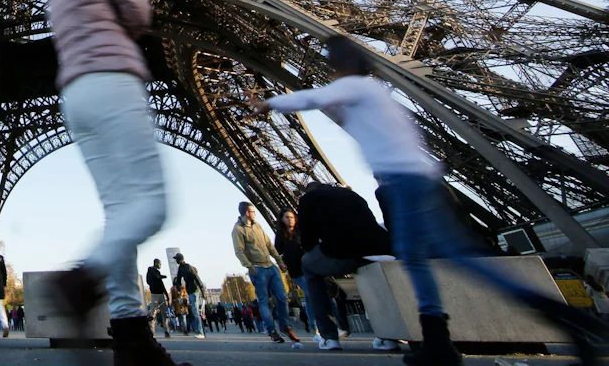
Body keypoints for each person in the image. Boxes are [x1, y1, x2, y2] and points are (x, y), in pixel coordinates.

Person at [253, 35, 609, 366]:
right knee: (428, 259)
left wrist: (267, 102)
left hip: (405, 185)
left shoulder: (356, 87)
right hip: (419, 180)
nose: (332, 69)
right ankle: (442, 339)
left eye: (334, 62)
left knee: (441, 260)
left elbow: (311, 98)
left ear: (345, 64)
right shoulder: (377, 96)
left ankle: (562, 319)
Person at [35, 0, 189, 366]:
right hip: (113, 83)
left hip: (75, 94)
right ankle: (80, 280)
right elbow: (138, 11)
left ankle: (129, 332)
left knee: (120, 214)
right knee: (153, 206)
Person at [291, 182, 391, 350]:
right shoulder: (351, 194)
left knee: (308, 264)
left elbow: (308, 240)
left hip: (344, 254)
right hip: (378, 250)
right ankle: (389, 335)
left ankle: (329, 336)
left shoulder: (308, 199)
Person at [231, 201, 298, 344]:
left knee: (282, 297)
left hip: (270, 266)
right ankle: (272, 331)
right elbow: (239, 251)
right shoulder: (238, 230)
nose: (255, 214)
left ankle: (285, 326)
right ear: (247, 213)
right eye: (253, 211)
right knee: (264, 301)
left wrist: (279, 261)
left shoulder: (257, 225)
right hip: (258, 268)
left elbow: (269, 245)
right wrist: (250, 267)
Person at [275, 208, 320, 343]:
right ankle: (317, 326)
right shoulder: (281, 234)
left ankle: (317, 327)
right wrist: (282, 263)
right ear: (282, 219)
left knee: (310, 295)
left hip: (309, 266)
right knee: (310, 293)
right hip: (296, 270)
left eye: (292, 217)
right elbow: (277, 251)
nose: (290, 219)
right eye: (287, 217)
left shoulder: (300, 231)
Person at [171, 254, 205, 338]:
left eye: (176, 259)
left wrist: (202, 289)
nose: (176, 261)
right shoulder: (180, 268)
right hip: (189, 290)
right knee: (194, 311)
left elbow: (197, 278)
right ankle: (200, 330)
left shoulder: (188, 267)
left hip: (195, 290)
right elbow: (178, 279)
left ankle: (201, 332)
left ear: (180, 259)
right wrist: (178, 289)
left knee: (195, 311)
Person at [146, 258, 171, 338]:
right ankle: (152, 331)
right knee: (153, 313)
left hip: (161, 294)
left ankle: (166, 331)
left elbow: (161, 284)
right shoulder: (151, 270)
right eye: (160, 264)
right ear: (156, 263)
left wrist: (166, 295)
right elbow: (155, 278)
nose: (160, 266)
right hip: (155, 294)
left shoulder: (157, 272)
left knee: (164, 314)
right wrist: (162, 276)